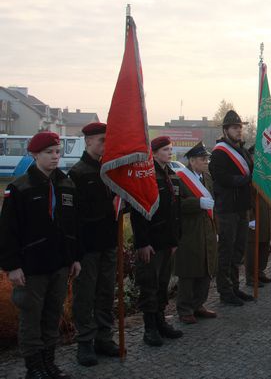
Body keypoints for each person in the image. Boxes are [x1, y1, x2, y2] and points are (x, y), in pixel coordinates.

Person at [0, 131, 81, 379]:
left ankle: (49, 363)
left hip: (58, 263)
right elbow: (7, 231)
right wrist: (12, 266)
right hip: (31, 266)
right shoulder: (20, 187)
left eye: (58, 152)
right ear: (34, 155)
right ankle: (34, 368)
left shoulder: (66, 183)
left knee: (52, 314)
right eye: (49, 153)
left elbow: (72, 226)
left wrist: (74, 257)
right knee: (31, 316)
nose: (55, 157)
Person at [68, 122, 120, 366]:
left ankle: (104, 337)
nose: (105, 145)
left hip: (108, 242)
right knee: (85, 296)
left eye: (107, 140)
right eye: (101, 140)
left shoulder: (110, 170)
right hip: (88, 245)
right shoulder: (78, 173)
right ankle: (85, 342)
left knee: (106, 293)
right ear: (88, 141)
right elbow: (76, 216)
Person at [131, 136, 183, 345]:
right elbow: (138, 211)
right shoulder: (146, 176)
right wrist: (142, 243)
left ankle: (161, 321)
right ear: (154, 152)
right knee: (149, 285)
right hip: (151, 241)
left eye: (170, 149)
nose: (169, 153)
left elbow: (175, 211)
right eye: (165, 150)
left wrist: (175, 240)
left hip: (166, 241)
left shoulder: (171, 175)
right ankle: (149, 327)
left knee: (162, 285)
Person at [209, 110, 255, 306]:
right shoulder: (219, 153)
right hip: (227, 208)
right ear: (226, 130)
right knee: (226, 251)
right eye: (235, 128)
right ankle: (225, 291)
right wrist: (246, 180)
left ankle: (235, 286)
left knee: (238, 250)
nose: (239, 131)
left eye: (240, 127)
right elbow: (222, 179)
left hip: (242, 207)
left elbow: (251, 170)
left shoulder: (242, 150)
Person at [174, 141, 218, 324]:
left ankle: (199, 304)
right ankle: (185, 309)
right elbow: (175, 205)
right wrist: (197, 203)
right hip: (189, 231)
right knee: (189, 271)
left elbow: (213, 205)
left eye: (206, 158)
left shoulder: (207, 178)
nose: (206, 161)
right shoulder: (179, 179)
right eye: (202, 159)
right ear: (192, 161)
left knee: (205, 269)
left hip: (207, 229)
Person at [245, 145, 271, 288]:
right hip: (255, 214)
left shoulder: (266, 172)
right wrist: (250, 218)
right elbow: (247, 198)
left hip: (266, 212)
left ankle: (260, 272)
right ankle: (251, 276)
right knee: (253, 247)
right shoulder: (249, 173)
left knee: (264, 244)